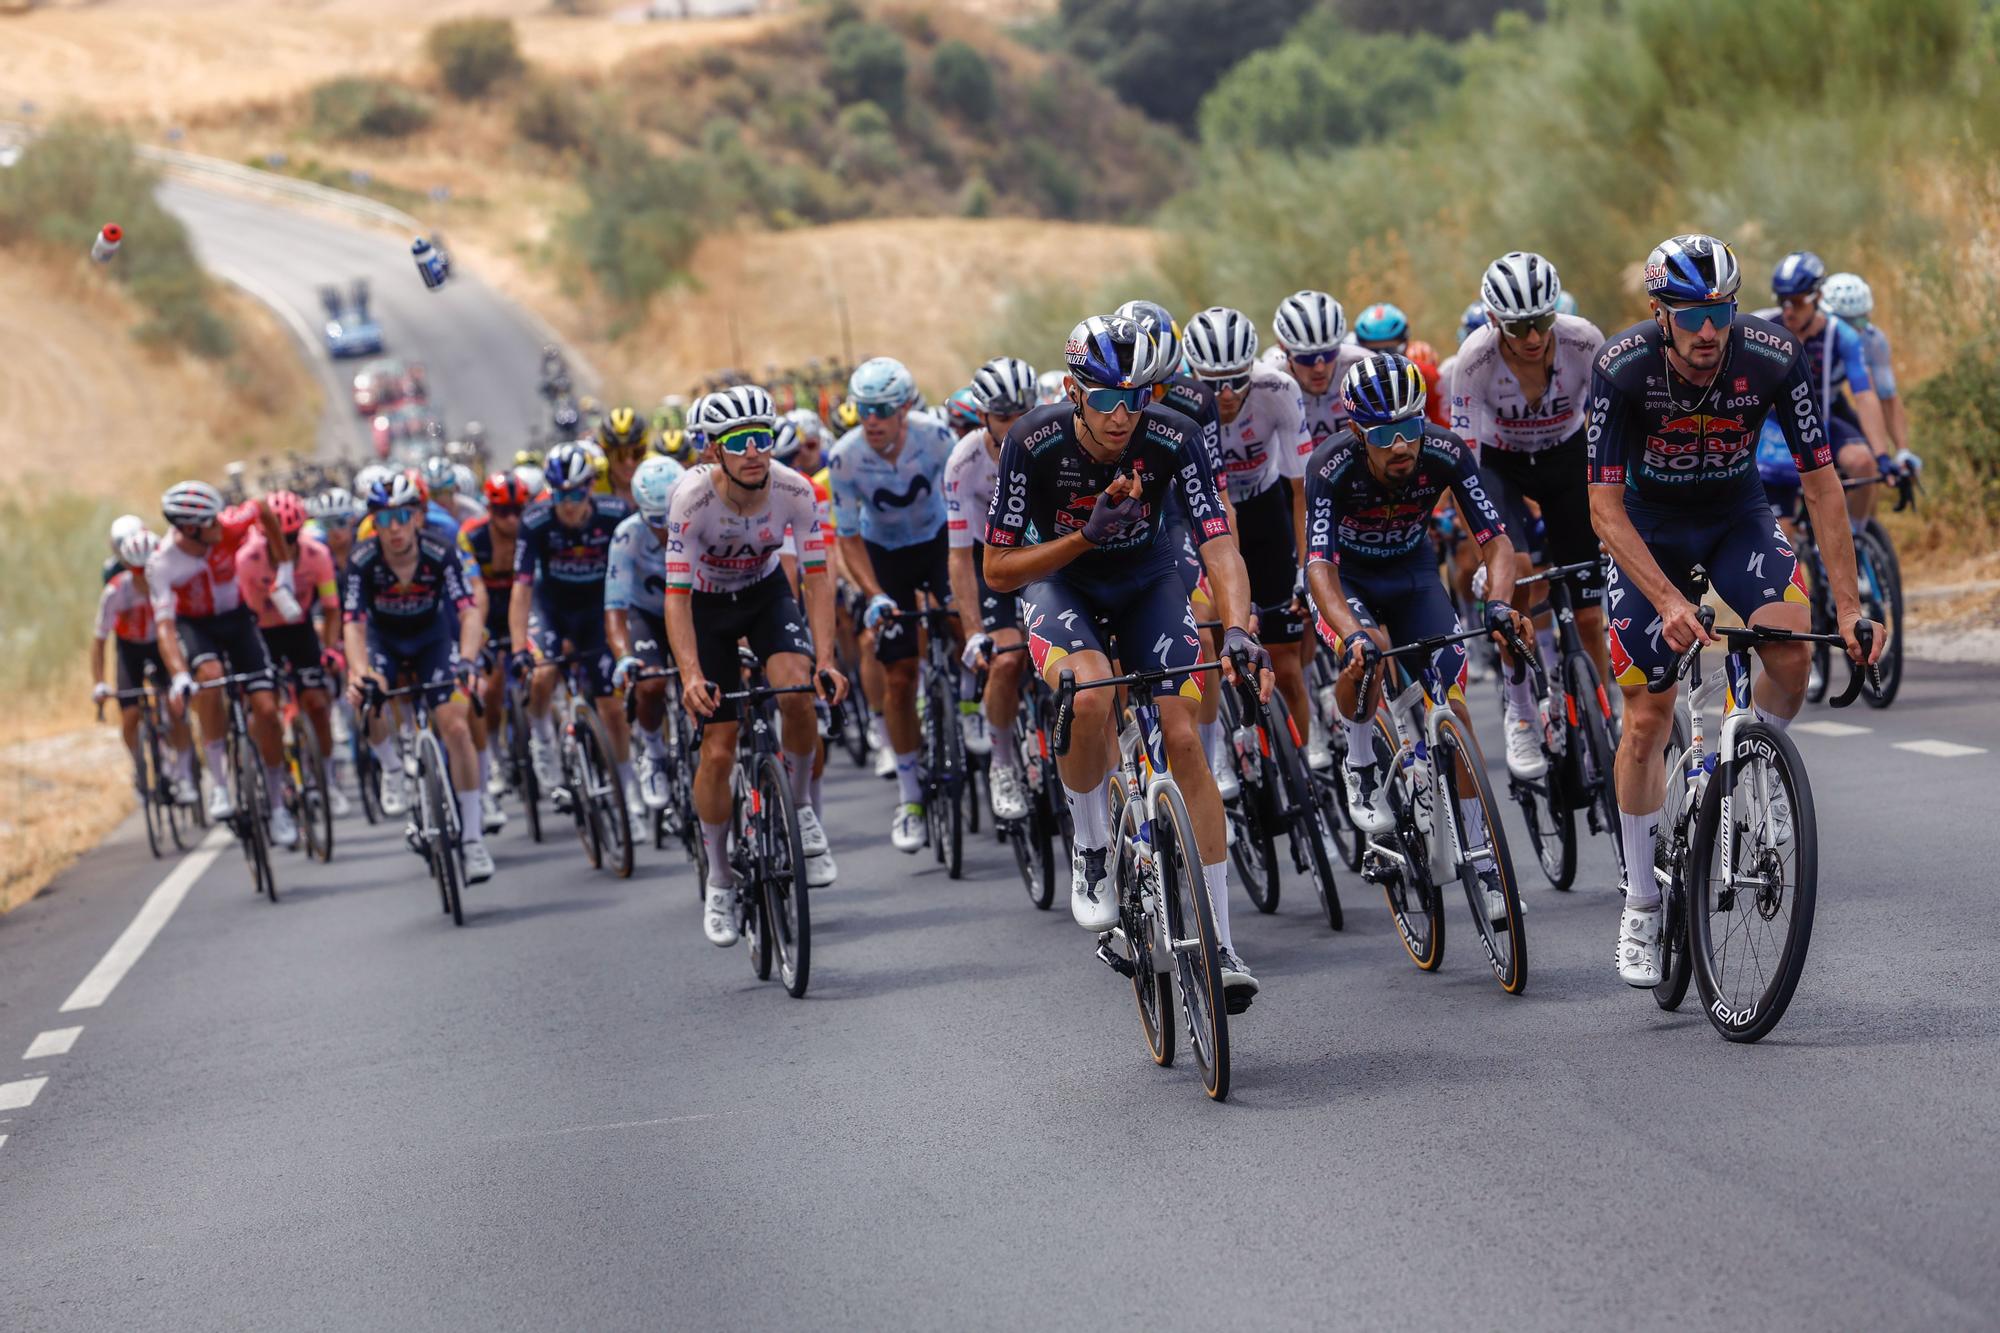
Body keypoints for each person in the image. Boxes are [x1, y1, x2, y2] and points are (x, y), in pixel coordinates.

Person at [1587, 233, 1885, 986]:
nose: (1708, 332)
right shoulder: (1621, 370)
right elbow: (1604, 509)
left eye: (1720, 311)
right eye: (1690, 317)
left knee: (1790, 646)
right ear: (1660, 315)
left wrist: (1850, 608)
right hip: (1647, 533)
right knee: (1648, 717)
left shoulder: (1771, 354)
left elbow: (1822, 487)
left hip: (1736, 517)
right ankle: (1642, 901)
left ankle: (1757, 766)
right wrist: (1666, 599)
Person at [982, 313, 1272, 1007]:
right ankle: (1089, 848)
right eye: (1106, 397)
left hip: (1149, 577)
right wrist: (1082, 536)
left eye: (1136, 396)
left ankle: (1223, 941)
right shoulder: (1034, 440)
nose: (1122, 415)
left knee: (1183, 739)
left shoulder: (1177, 433)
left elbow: (1219, 543)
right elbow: (998, 568)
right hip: (1063, 582)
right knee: (1089, 698)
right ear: (1073, 390)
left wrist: (1235, 627)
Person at [1303, 352, 1529, 919]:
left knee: (1452, 698)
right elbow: (1319, 569)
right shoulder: (1330, 467)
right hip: (1345, 578)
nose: (1402, 445)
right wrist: (1350, 632)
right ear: (1358, 431)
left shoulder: (1445, 450)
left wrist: (1499, 603)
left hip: (1411, 573)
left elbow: (1496, 541)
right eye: (1385, 434)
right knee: (1368, 656)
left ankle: (1484, 863)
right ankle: (1359, 763)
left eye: (1410, 428)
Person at [662, 386, 847, 943]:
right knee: (717, 748)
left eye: (761, 438)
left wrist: (827, 658)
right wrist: (692, 675)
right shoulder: (691, 500)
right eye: (738, 442)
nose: (753, 451)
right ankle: (719, 878)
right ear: (714, 451)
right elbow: (674, 598)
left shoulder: (795, 491)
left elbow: (816, 578)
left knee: (796, 689)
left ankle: (799, 808)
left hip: (767, 594)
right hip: (707, 606)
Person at [1449, 251, 1610, 775]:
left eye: (1542, 321)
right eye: (1519, 326)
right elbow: (1463, 463)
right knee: (1516, 573)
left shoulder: (1584, 339)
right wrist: (1482, 548)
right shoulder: (1474, 360)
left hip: (1566, 459)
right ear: (1495, 320)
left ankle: (1604, 707)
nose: (1534, 336)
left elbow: (1614, 428)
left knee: (1588, 614)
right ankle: (1520, 712)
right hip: (1502, 467)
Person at [825, 356, 959, 853]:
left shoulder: (937, 438)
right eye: (863, 409)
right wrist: (875, 594)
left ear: (904, 408)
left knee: (964, 619)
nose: (872, 420)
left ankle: (967, 705)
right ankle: (910, 798)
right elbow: (848, 538)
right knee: (900, 674)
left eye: (882, 409)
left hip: (939, 539)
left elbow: (963, 505)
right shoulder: (844, 458)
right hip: (883, 556)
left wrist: (961, 579)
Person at [1182, 306, 1322, 768]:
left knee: (1283, 661)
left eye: (1236, 380)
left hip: (1263, 508)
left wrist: (1307, 568)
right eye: (1212, 381)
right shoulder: (1177, 401)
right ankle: (1215, 748)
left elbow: (1301, 489)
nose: (1224, 394)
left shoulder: (1278, 389)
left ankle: (1307, 747)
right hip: (1201, 519)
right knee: (1208, 636)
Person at [343, 470, 494, 883]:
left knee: (457, 729)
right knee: (370, 695)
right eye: (383, 519)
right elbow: (353, 625)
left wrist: (466, 660)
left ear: (417, 517)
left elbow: (467, 611)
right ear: (374, 523)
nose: (393, 529)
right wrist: (358, 672)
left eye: (402, 517)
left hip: (431, 639)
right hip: (385, 642)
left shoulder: (439, 550)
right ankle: (392, 770)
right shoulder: (361, 560)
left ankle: (473, 838)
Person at [148, 481, 295, 845]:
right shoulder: (162, 562)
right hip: (196, 626)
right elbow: (164, 627)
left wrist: (285, 570)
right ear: (189, 529)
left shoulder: (226, 526)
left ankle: (278, 807)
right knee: (209, 677)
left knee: (265, 709)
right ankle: (219, 785)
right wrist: (181, 675)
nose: (220, 525)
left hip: (236, 618)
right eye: (210, 522)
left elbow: (260, 507)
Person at [507, 443, 641, 826]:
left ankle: (626, 789)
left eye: (577, 493)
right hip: (553, 612)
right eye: (560, 494)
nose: (568, 504)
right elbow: (521, 587)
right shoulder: (535, 521)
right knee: (543, 673)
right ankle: (543, 740)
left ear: (590, 488)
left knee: (613, 709)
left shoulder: (615, 513)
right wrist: (519, 646)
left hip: (599, 612)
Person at [946, 356, 1040, 822]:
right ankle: (1002, 763)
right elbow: (961, 555)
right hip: (996, 562)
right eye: (1005, 417)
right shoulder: (963, 462)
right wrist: (972, 632)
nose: (1017, 426)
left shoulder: (1056, 437)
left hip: (1049, 554)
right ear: (983, 416)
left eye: (1025, 413)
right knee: (1005, 661)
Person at [1760, 251, 1900, 524]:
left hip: (1820, 419)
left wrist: (1882, 453)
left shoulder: (1841, 334)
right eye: (1782, 300)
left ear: (1818, 298)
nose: (1788, 310)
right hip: (1773, 429)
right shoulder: (1762, 327)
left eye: (1797, 302)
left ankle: (1855, 539)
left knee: (1863, 463)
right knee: (1784, 539)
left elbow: (1864, 394)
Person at [236, 490, 349, 826]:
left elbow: (331, 608)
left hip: (299, 630)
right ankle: (275, 784)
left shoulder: (317, 555)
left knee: (317, 701)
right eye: (276, 537)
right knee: (265, 709)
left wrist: (329, 649)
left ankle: (327, 778)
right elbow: (247, 615)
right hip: (262, 633)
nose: (282, 543)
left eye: (290, 537)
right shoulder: (248, 560)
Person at [606, 456, 697, 829]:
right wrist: (624, 657)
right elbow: (614, 607)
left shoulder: (703, 519)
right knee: (652, 682)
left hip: (694, 611)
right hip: (648, 617)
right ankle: (654, 752)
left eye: (672, 515)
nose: (665, 528)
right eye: (655, 520)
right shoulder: (627, 536)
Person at [92, 527, 198, 805]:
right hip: (130, 649)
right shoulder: (115, 592)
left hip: (162, 646)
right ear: (126, 567)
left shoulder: (169, 583)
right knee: (129, 717)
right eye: (137, 571)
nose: (144, 577)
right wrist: (100, 682)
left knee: (176, 706)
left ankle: (186, 775)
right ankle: (140, 767)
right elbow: (99, 640)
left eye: (148, 569)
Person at [460, 472, 531, 821]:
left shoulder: (530, 531)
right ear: (489, 510)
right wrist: (482, 639)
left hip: (523, 603)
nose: (512, 519)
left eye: (518, 510)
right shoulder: (472, 535)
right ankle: (495, 747)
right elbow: (475, 594)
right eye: (503, 512)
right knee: (490, 686)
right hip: (487, 609)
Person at [1262, 290, 1369, 448]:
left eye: (1329, 354)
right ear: (1283, 348)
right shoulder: (1269, 380)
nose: (1319, 368)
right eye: (1307, 358)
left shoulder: (1362, 365)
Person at [596, 406, 649, 505]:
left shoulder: (659, 468)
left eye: (636, 453)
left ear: (645, 451)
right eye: (620, 455)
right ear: (606, 454)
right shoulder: (594, 477)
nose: (629, 463)